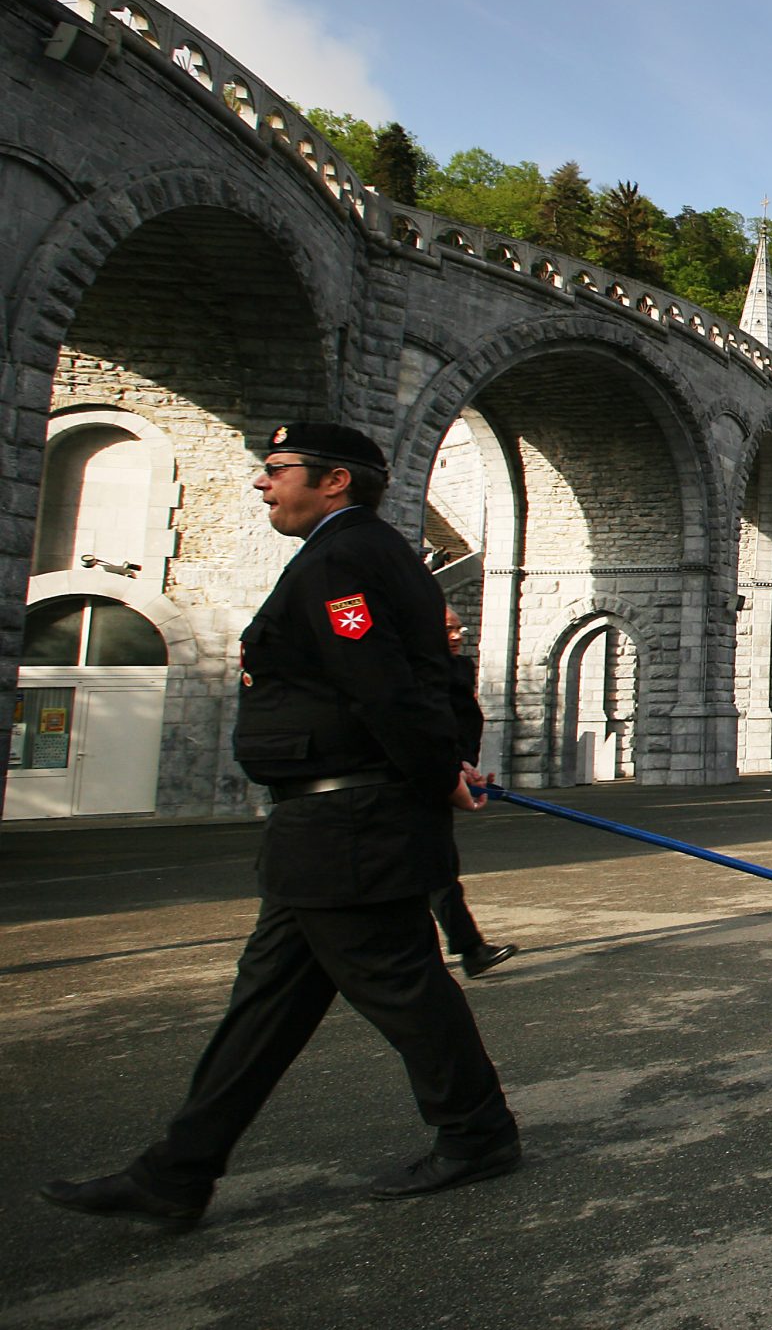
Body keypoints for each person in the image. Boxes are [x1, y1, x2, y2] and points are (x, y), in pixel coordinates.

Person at [42, 423, 519, 1231]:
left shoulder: (343, 559)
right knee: (268, 1004)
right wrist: (443, 763)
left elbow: (384, 684)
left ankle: (476, 1132)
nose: (263, 484)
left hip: (347, 817)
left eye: (278, 470)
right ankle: (177, 1170)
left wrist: (440, 771)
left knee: (400, 985)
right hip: (333, 818)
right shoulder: (367, 552)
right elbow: (417, 679)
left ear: (335, 481)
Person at [428, 608, 516, 979]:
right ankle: (470, 948)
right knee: (434, 870)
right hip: (412, 782)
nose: (456, 635)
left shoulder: (457, 670)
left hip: (439, 775)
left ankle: (470, 948)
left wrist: (464, 765)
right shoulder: (409, 674)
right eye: (447, 629)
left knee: (437, 869)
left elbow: (464, 722)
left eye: (458, 628)